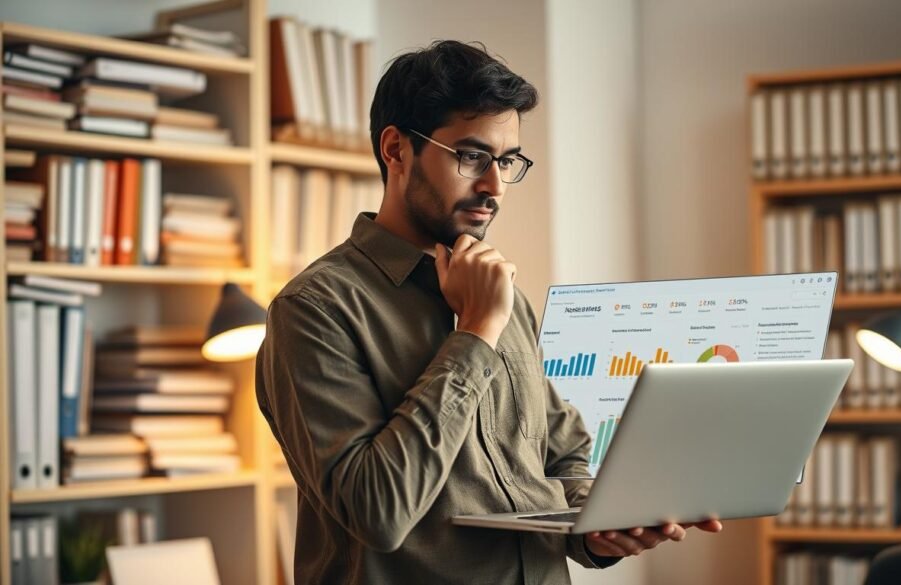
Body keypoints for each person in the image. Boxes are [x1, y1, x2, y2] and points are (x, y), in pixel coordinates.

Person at [255, 40, 722, 585]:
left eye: (507, 161)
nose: (495, 186)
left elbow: (563, 455)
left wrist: (598, 525)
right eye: (472, 156)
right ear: (396, 150)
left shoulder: (502, 292)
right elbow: (377, 511)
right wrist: (475, 335)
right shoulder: (314, 309)